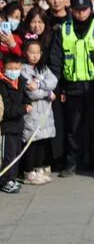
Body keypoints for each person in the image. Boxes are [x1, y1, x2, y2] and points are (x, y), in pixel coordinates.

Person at [47, 0, 94, 177]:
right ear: (71, 10)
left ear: (90, 10)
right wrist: (59, 87)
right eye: (77, 10)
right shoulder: (64, 29)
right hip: (72, 86)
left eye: (84, 10)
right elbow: (56, 59)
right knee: (72, 127)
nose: (81, 13)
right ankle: (72, 162)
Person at [20, 39, 58, 185]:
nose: (35, 56)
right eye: (32, 52)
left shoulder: (43, 68)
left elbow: (53, 81)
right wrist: (48, 93)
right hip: (32, 113)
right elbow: (32, 93)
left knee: (42, 141)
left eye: (38, 52)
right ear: (25, 53)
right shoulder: (23, 70)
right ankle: (28, 171)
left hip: (45, 113)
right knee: (32, 142)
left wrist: (40, 84)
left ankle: (38, 168)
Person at [0, 54, 30, 194]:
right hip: (7, 127)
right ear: (4, 68)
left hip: (18, 125)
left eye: (16, 68)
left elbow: (26, 97)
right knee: (8, 155)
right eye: (10, 68)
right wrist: (23, 109)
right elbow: (6, 110)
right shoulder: (2, 85)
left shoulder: (21, 81)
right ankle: (5, 180)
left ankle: (12, 178)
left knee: (17, 153)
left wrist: (28, 104)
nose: (13, 71)